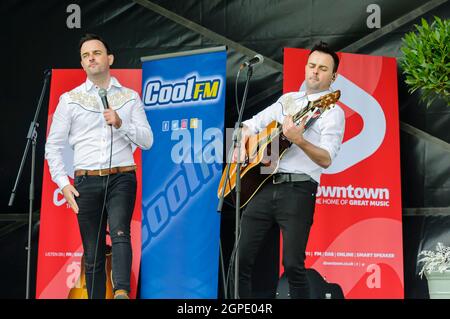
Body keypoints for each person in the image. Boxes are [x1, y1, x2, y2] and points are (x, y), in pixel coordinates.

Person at [45, 34, 153, 299]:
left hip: (122, 176)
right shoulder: (70, 99)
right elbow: (53, 146)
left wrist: (120, 123)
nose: (91, 58)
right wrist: (63, 183)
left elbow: (148, 140)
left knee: (120, 232)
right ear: (82, 64)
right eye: (85, 55)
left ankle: (121, 293)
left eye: (96, 52)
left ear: (110, 58)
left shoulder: (129, 97)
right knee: (92, 253)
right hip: (85, 180)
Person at [234, 41, 345, 299]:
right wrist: (241, 147)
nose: (315, 72)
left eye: (322, 68)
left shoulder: (332, 111)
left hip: (299, 188)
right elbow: (248, 125)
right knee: (240, 260)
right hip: (263, 184)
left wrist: (300, 140)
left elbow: (327, 159)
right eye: (312, 65)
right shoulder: (288, 100)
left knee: (294, 265)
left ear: (333, 76)